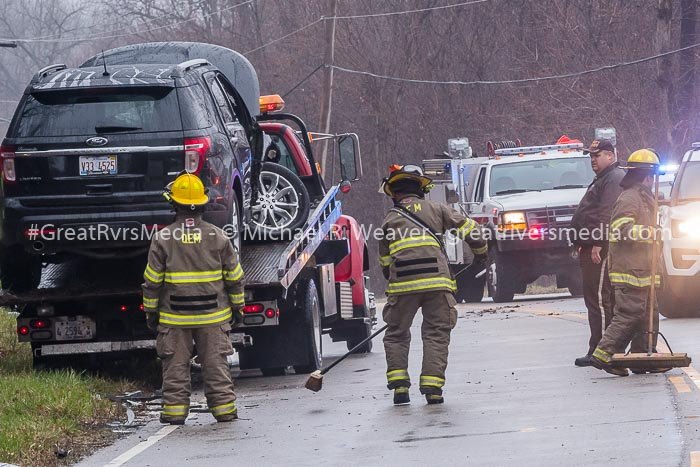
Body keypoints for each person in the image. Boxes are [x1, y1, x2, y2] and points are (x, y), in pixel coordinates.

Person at [378, 164, 487, 405]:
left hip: (402, 286)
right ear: (421, 190)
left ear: (394, 193)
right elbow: (472, 230)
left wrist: (396, 280)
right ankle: (433, 388)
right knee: (436, 333)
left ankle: (399, 388)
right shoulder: (437, 209)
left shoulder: (389, 220)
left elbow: (385, 262)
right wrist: (480, 253)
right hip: (438, 283)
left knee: (396, 333)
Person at [142, 172, 245, 424]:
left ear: (173, 204)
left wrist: (151, 314)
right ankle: (224, 411)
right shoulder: (218, 236)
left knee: (175, 367)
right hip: (213, 318)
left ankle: (174, 414)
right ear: (202, 203)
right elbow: (234, 278)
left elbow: (152, 282)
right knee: (215, 365)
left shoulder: (163, 238)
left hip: (174, 319)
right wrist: (238, 307)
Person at [590, 149, 664, 376]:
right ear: (646, 176)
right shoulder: (630, 197)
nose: (653, 181)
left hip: (644, 269)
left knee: (648, 313)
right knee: (630, 314)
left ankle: (642, 358)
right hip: (630, 270)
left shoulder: (643, 197)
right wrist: (649, 232)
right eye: (652, 176)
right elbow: (621, 230)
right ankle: (605, 355)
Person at [570, 139, 625, 367]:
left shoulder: (613, 178)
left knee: (601, 300)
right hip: (590, 246)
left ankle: (603, 350)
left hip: (599, 249)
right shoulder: (603, 178)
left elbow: (606, 213)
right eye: (591, 156)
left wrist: (598, 243)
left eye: (598, 155)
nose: (593, 159)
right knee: (594, 298)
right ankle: (597, 348)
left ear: (611, 156)